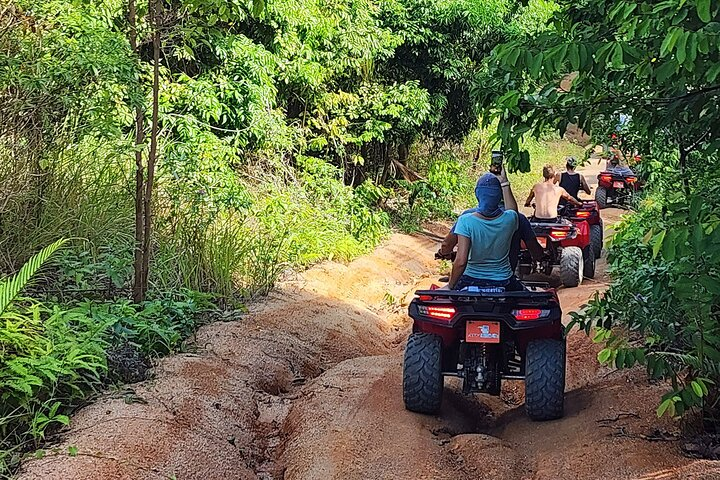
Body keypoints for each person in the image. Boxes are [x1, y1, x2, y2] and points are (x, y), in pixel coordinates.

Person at [446, 171, 525, 291]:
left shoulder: (465, 221)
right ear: (499, 197)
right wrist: (504, 182)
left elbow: (461, 261)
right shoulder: (510, 219)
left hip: (470, 279)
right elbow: (513, 209)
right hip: (504, 281)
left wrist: (450, 286)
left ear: (477, 195)